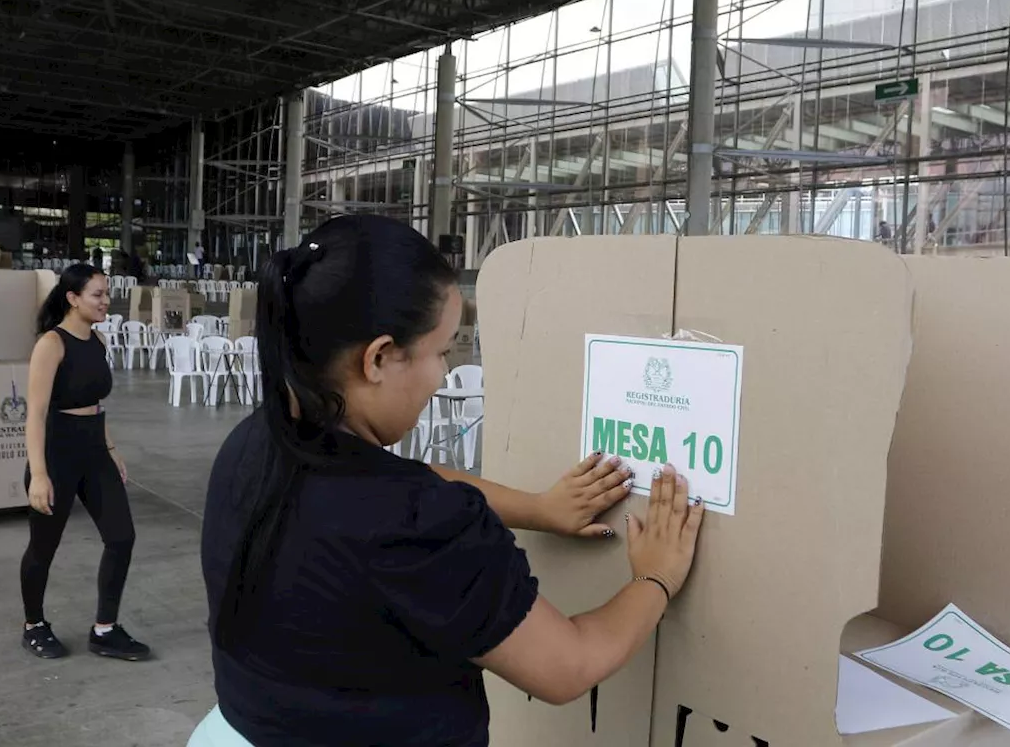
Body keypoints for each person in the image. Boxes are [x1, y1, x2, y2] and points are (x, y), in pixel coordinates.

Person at [192, 215, 704, 746]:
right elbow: (567, 665)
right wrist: (655, 578)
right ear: (379, 358)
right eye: (441, 351)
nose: (443, 374)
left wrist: (538, 508)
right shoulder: (417, 525)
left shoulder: (254, 446)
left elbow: (409, 480)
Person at [20, 263, 150, 662]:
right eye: (97, 294)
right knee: (44, 546)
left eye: (107, 293)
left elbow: (94, 402)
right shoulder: (51, 344)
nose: (105, 301)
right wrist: (39, 475)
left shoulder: (99, 341)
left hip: (94, 450)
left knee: (121, 537)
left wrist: (111, 449)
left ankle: (105, 630)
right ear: (73, 298)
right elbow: (35, 415)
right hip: (57, 454)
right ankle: (34, 625)